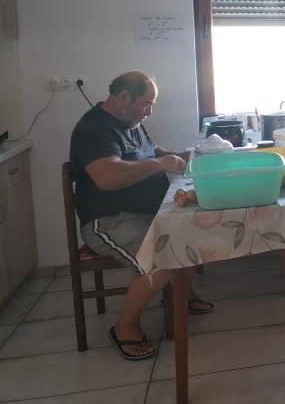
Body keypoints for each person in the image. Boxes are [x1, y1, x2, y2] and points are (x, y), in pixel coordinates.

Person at [70, 71, 213, 360]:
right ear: (124, 97)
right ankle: (125, 326)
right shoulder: (94, 129)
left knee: (190, 231)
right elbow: (108, 177)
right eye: (146, 104)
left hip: (145, 212)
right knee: (162, 255)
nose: (149, 112)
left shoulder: (131, 122)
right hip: (109, 221)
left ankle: (179, 296)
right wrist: (160, 164)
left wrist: (185, 156)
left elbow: (152, 151)